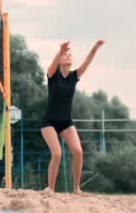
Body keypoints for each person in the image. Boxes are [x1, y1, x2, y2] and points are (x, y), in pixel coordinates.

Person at [41, 40, 105, 194]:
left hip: (66, 122)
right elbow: (52, 64)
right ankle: (50, 188)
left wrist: (95, 47)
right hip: (49, 122)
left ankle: (76, 188)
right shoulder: (52, 74)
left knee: (78, 152)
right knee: (57, 154)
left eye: (70, 54)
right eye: (65, 55)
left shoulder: (74, 76)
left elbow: (87, 62)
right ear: (60, 59)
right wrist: (60, 50)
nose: (68, 56)